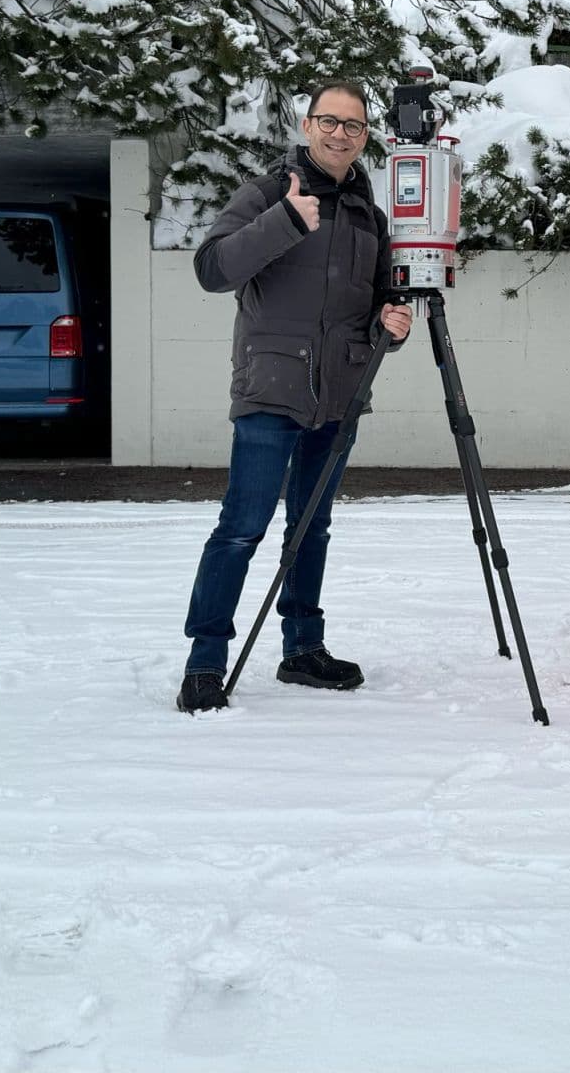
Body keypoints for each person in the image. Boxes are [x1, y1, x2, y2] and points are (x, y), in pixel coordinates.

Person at [175, 81, 412, 713]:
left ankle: (303, 649)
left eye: (354, 127)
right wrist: (284, 220)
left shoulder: (369, 213)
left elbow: (376, 304)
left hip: (338, 396)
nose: (341, 135)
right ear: (307, 126)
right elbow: (212, 269)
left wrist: (390, 325)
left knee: (312, 528)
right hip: (270, 391)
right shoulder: (266, 192)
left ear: (366, 138)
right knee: (241, 528)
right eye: (330, 122)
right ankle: (205, 661)